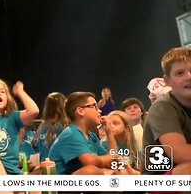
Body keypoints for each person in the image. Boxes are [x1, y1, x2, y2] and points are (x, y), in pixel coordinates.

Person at [48, 92, 133, 175]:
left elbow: (110, 162)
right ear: (80, 111)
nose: (99, 110)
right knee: (91, 171)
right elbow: (90, 162)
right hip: (60, 185)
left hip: (80, 184)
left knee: (120, 170)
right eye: (94, 106)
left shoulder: (92, 136)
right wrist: (110, 157)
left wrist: (109, 132)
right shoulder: (71, 133)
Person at [142, 47, 191, 176]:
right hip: (156, 183)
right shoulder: (162, 107)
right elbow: (178, 153)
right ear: (167, 81)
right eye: (180, 73)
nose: (189, 76)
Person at [35, 92, 69, 162]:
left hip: (44, 166)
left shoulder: (42, 126)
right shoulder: (65, 125)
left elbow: (37, 147)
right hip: (60, 167)